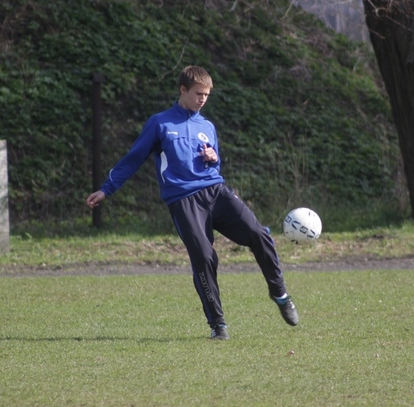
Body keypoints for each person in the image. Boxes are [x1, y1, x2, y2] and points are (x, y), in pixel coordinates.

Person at [86, 66, 298, 340]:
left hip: (216, 191)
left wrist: (213, 157)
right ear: (183, 90)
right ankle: (218, 324)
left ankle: (279, 293)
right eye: (198, 93)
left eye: (207, 95)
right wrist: (106, 189)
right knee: (204, 256)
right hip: (183, 200)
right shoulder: (160, 123)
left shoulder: (207, 126)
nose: (203, 99)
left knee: (258, 234)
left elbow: (215, 160)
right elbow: (133, 158)